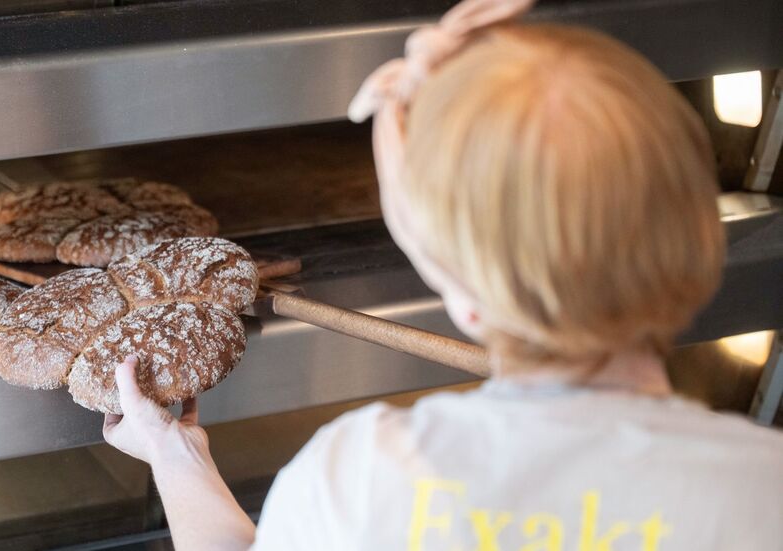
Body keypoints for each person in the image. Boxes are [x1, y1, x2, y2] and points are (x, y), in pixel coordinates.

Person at [102, 0, 783, 549]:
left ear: (459, 290)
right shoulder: (765, 488)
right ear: (698, 238)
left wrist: (173, 456)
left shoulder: (359, 475)